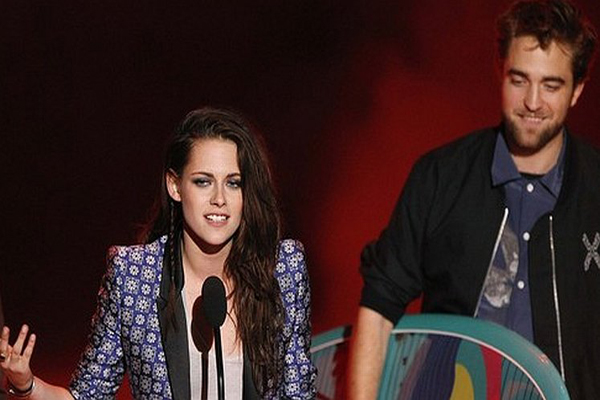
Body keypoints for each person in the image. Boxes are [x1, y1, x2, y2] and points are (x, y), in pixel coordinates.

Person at [348, 0, 599, 399]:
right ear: (500, 71)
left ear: (577, 90)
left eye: (551, 85)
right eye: (519, 80)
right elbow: (378, 309)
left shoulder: (594, 188)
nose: (533, 102)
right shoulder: (440, 175)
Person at [0, 107, 317, 399]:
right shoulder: (134, 278)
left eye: (234, 183)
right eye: (203, 182)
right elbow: (87, 395)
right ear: (175, 186)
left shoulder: (282, 269)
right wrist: (26, 385)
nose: (220, 198)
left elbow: (299, 393)